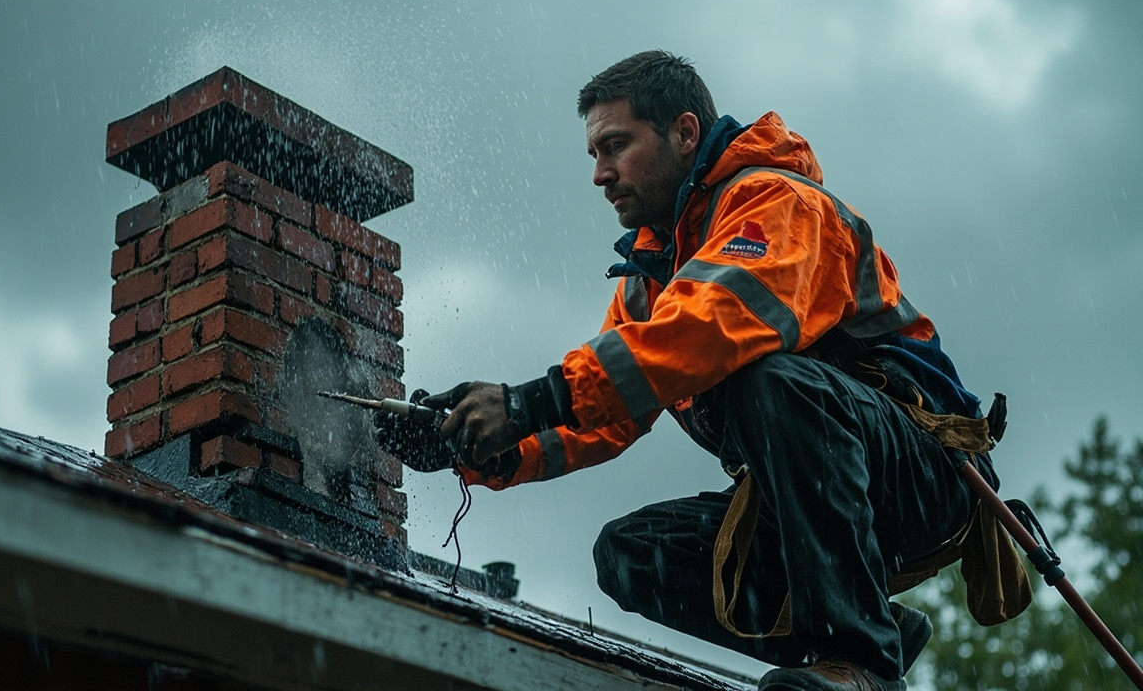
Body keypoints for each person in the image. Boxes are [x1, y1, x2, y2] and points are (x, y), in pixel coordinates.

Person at [378, 51, 1018, 691]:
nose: (600, 174)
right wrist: (481, 447)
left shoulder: (781, 204)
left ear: (684, 133)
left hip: (924, 474)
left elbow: (707, 330)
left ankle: (863, 660)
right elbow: (608, 410)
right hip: (816, 496)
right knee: (629, 555)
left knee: (770, 381)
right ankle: (872, 622)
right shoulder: (650, 278)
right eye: (594, 155)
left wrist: (523, 404)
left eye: (616, 146)